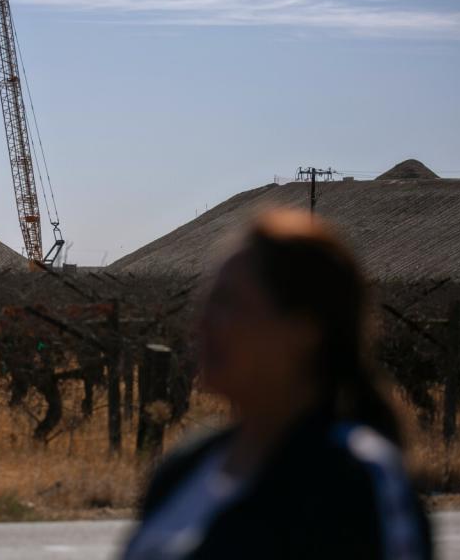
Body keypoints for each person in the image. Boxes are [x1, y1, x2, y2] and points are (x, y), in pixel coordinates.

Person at [123, 209, 432, 560]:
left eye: (229, 304)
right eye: (206, 304)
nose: (202, 325)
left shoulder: (354, 486)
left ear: (305, 330)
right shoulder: (186, 465)